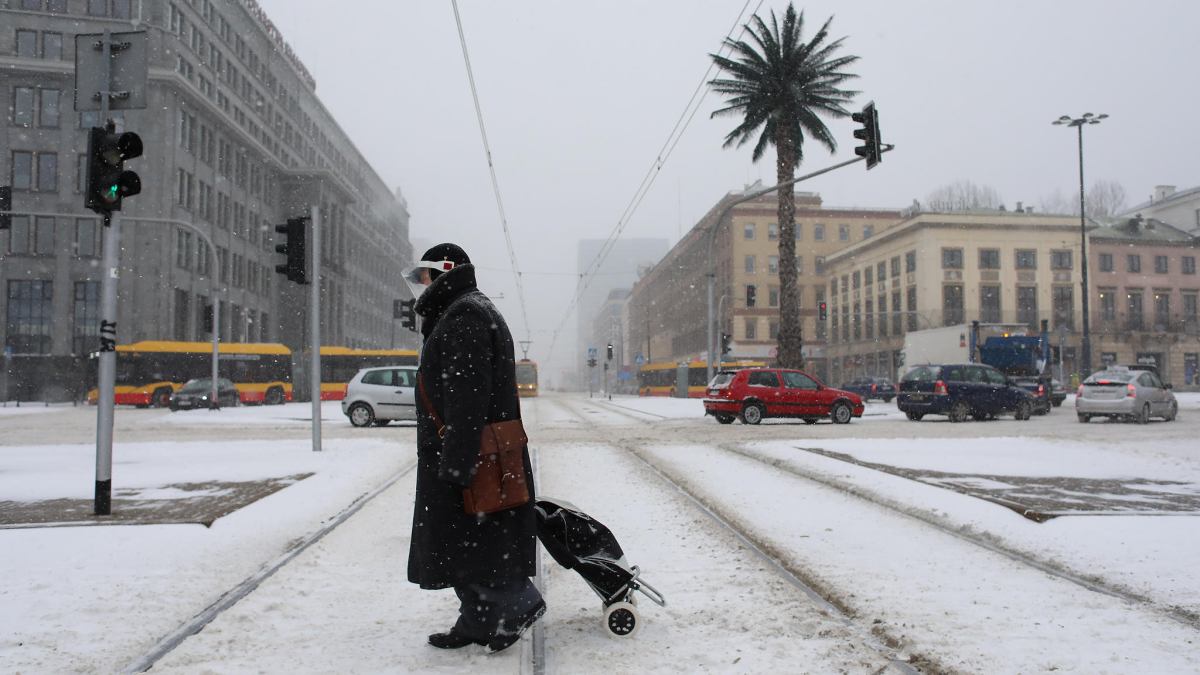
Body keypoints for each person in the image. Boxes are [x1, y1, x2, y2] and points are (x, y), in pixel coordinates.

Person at [405, 243, 544, 653]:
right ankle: (483, 621)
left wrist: (457, 464)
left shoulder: (463, 314)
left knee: (472, 542)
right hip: (484, 453)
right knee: (484, 542)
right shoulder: (474, 308)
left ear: (444, 272)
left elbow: (467, 395)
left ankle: (513, 609)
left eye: (424, 275)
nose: (421, 285)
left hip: (469, 454)